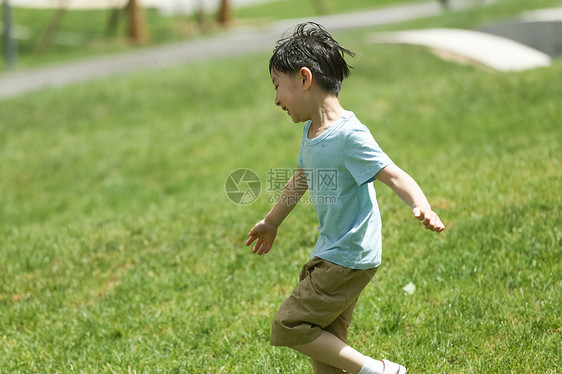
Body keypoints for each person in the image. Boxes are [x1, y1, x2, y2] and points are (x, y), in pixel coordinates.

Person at [246, 22, 445, 374]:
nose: (276, 99)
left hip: (348, 255)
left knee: (289, 326)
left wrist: (421, 204)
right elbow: (301, 178)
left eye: (278, 86)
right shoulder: (312, 131)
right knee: (323, 342)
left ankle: (378, 370)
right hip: (333, 251)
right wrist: (271, 221)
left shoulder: (349, 134)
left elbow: (393, 173)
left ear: (304, 79)